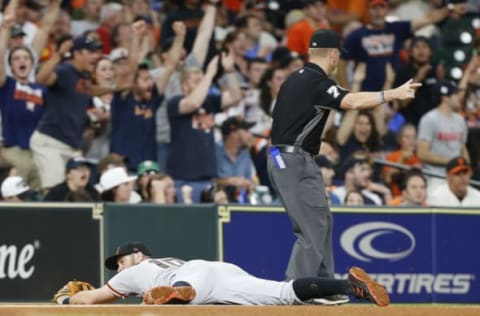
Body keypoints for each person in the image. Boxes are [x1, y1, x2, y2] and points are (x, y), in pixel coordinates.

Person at [267, 29, 420, 293]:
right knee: (312, 228)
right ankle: (294, 292)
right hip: (293, 160)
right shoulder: (317, 81)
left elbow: (289, 120)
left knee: (322, 221)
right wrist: (392, 94)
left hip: (290, 156)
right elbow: (351, 101)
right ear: (334, 55)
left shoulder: (295, 79)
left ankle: (323, 287)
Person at [53, 242, 389, 307]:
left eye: (121, 259)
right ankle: (348, 283)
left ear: (138, 255)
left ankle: (181, 296)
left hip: (189, 278)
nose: (119, 266)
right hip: (217, 270)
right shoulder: (157, 262)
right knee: (284, 294)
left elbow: (92, 299)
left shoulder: (135, 271)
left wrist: (70, 299)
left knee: (180, 293)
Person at [215, 116, 256, 203]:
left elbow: (250, 181)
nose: (250, 135)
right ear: (233, 133)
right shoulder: (214, 151)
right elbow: (207, 181)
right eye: (246, 131)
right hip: (217, 204)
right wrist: (229, 181)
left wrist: (250, 185)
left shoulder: (245, 154)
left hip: (241, 203)